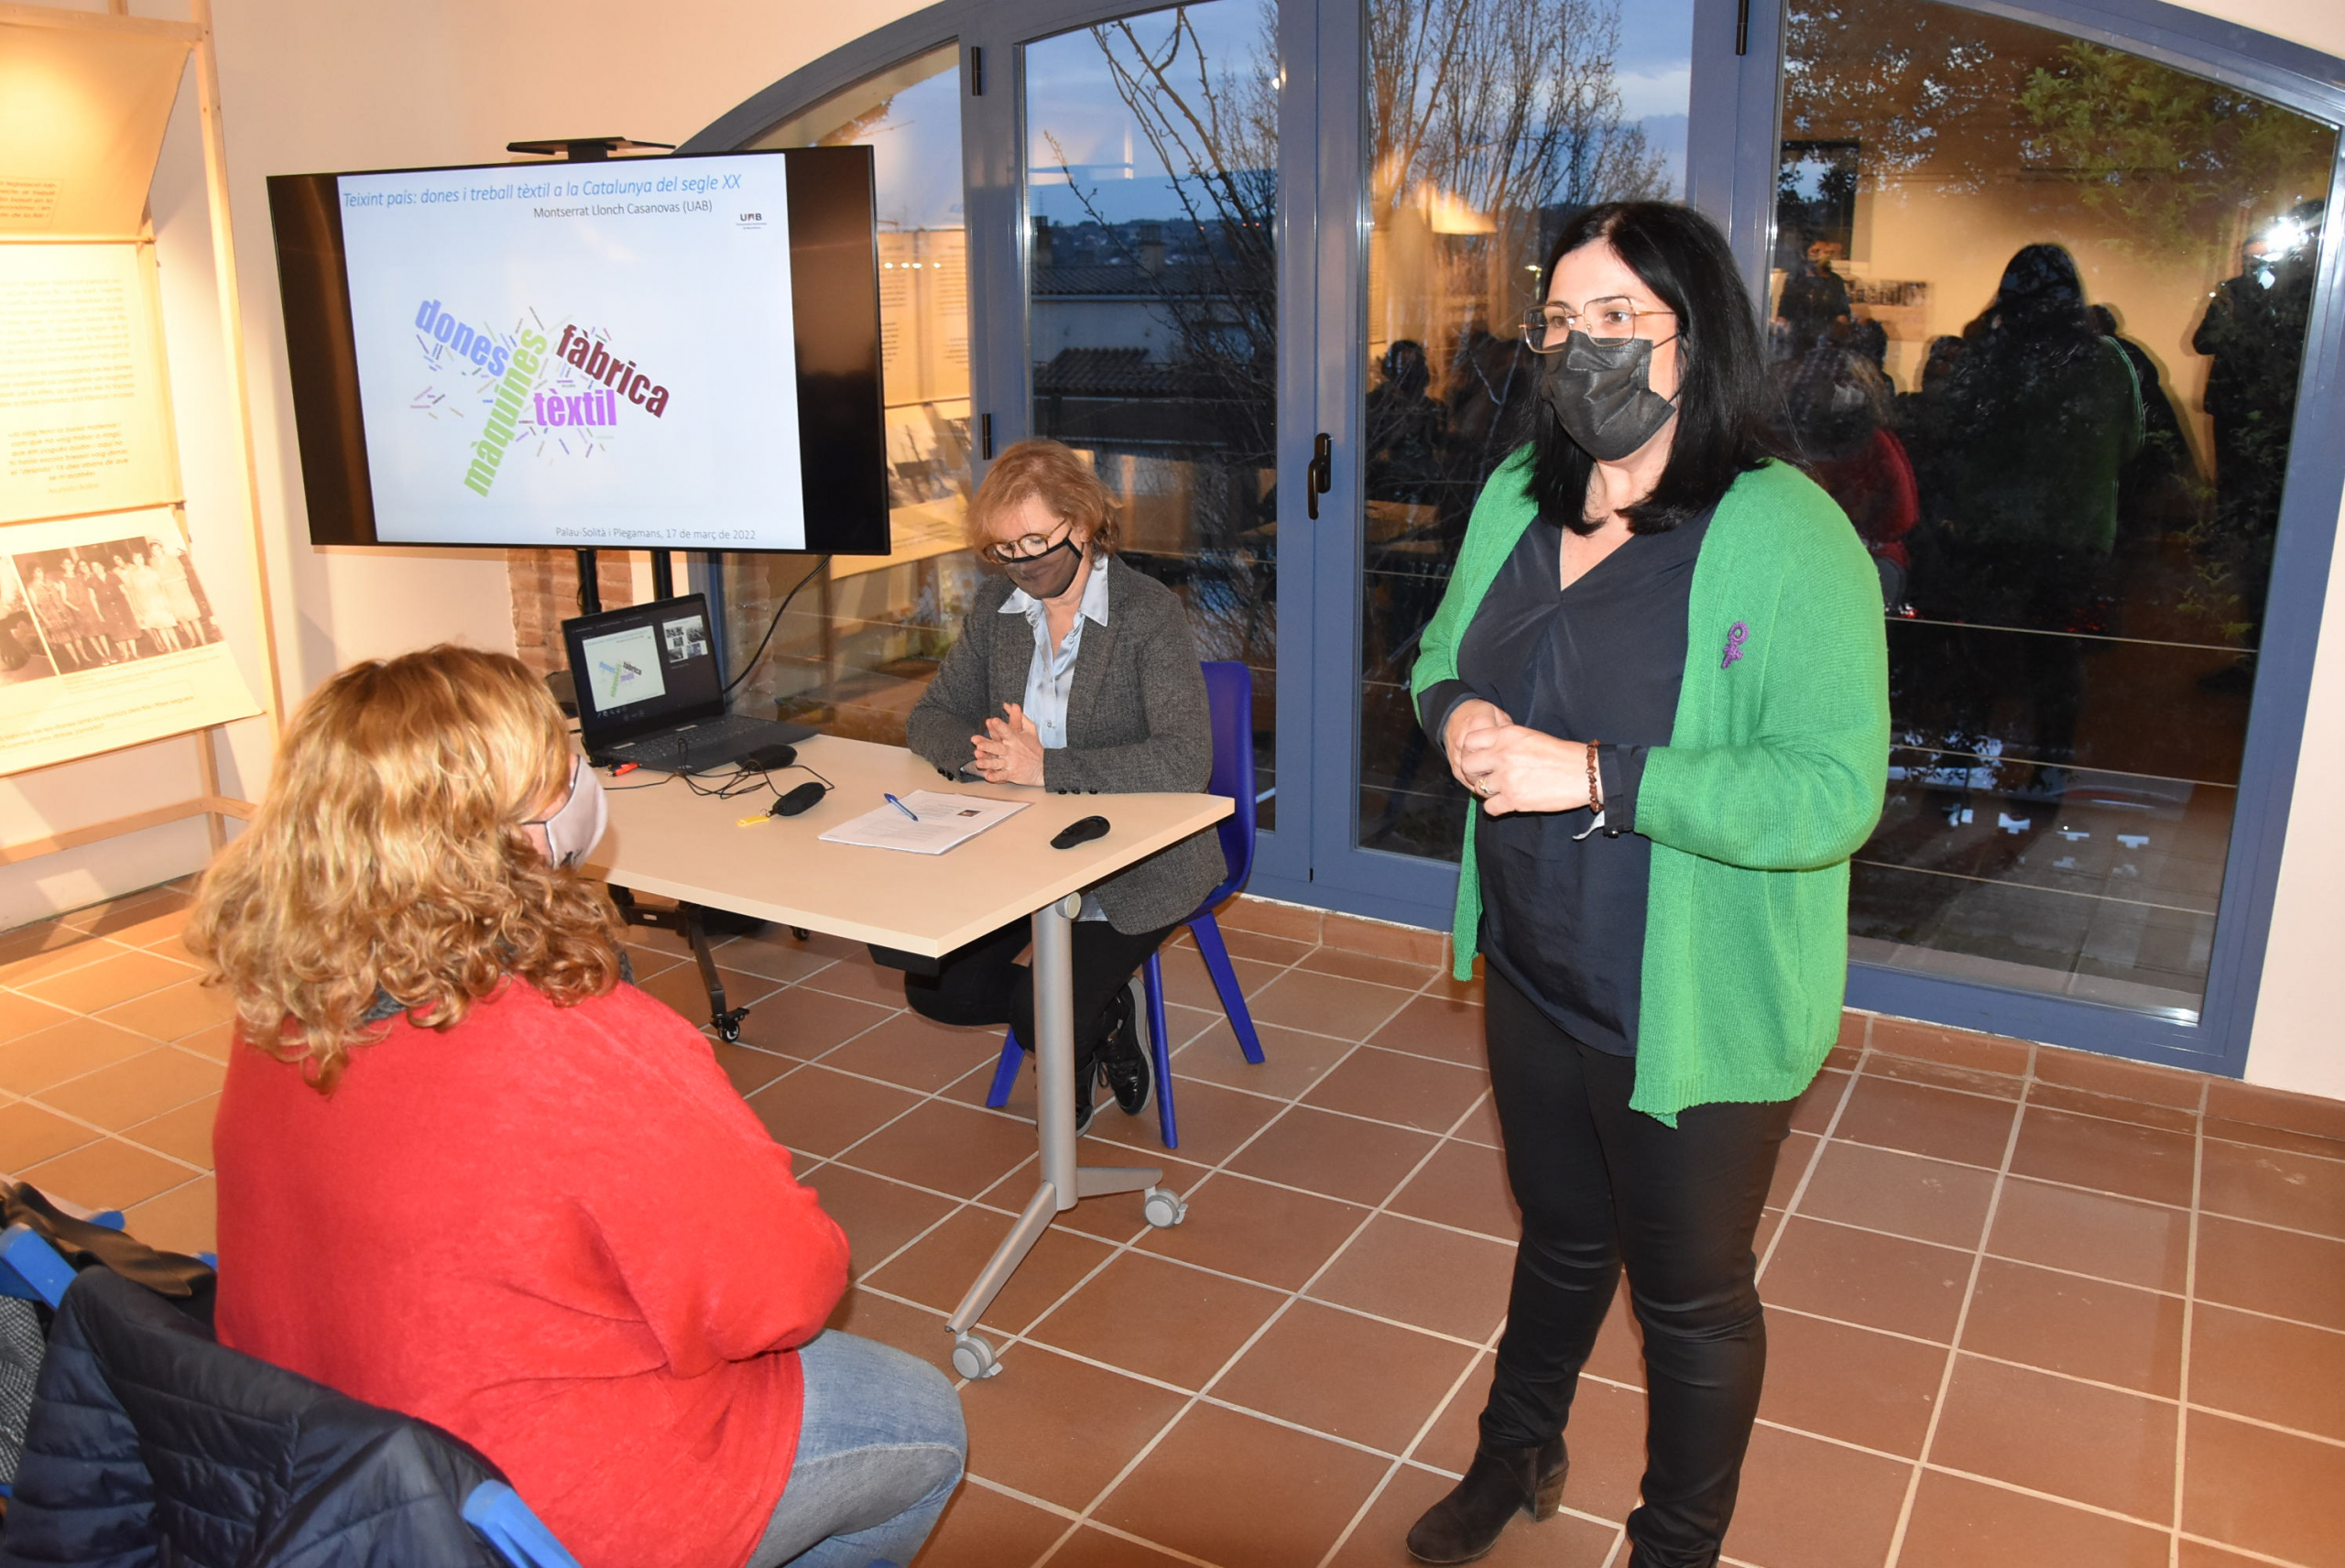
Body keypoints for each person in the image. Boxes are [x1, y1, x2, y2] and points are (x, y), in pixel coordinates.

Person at [187, 646, 965, 1568]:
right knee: (921, 1418)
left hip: (319, 1460)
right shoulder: (580, 1039)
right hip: (520, 1503)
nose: (582, 779)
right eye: (560, 767)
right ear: (508, 839)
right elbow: (786, 1295)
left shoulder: (284, 1005)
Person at [1405, 201, 1888, 1567]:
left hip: (1693, 993)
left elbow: (1829, 792)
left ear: (1700, 334)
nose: (1584, 347)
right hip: (1534, 961)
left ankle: (1675, 1543)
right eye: (1562, 320)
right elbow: (1437, 654)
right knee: (1561, 1235)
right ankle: (1516, 1448)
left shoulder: (1787, 534)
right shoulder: (1519, 489)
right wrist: (1458, 718)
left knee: (1689, 1296)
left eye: (1619, 316)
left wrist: (1600, 777)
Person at [896, 438, 1222, 1134]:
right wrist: (986, 754)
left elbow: (1184, 760)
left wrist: (1048, 768)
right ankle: (1100, 1017)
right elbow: (930, 716)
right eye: (1004, 549)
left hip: (1138, 861)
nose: (1021, 563)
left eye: (1036, 542)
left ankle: (1075, 1023)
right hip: (1020, 853)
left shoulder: (1147, 613)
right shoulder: (998, 606)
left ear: (1082, 522)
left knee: (1040, 1013)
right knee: (936, 988)